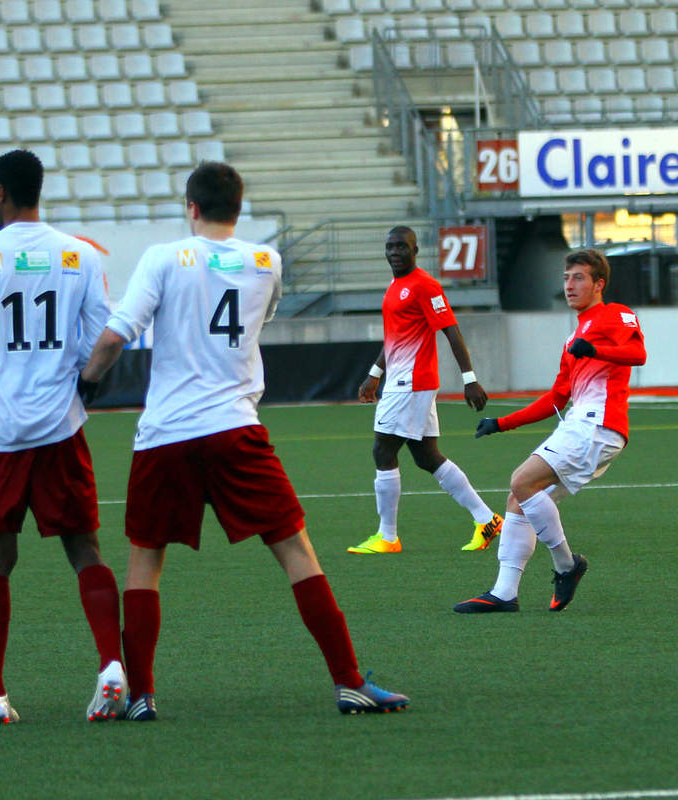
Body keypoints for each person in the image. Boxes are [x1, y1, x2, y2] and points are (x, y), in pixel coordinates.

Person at [79, 162, 408, 720]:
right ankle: (348, 681)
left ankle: (141, 695)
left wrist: (85, 384)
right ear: (238, 207)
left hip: (167, 434)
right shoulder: (266, 261)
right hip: (235, 428)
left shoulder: (163, 258)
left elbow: (115, 338)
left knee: (146, 560)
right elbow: (260, 318)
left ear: (191, 207)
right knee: (296, 550)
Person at [0, 149, 126, 725]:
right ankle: (112, 665)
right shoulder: (80, 254)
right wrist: (77, 385)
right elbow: (98, 341)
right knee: (84, 548)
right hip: (58, 425)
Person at [455, 249, 645, 613]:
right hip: (579, 423)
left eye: (579, 278)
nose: (570, 285)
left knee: (522, 481)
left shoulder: (615, 313)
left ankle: (567, 565)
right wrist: (501, 423)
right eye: (566, 278)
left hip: (598, 424)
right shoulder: (573, 338)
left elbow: (638, 354)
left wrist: (598, 351)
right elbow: (557, 397)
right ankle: (504, 593)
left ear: (599, 284)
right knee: (519, 500)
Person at [350, 226, 502, 554]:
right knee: (426, 456)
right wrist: (375, 374)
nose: (395, 252)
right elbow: (395, 338)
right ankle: (486, 519)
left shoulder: (425, 285)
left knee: (383, 450)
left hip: (411, 382)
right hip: (403, 381)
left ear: (415, 250)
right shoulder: (395, 287)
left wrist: (469, 379)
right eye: (390, 247)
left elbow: (451, 331)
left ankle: (387, 536)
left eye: (402, 247)